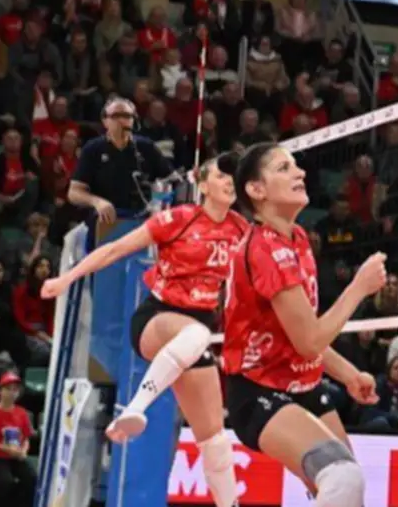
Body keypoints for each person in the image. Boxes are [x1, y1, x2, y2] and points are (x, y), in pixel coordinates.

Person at [42, 154, 248, 507]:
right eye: (221, 175)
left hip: (195, 331)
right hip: (157, 318)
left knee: (214, 438)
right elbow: (115, 249)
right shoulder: (179, 219)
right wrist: (66, 279)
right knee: (197, 335)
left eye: (234, 176)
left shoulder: (241, 229)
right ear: (202, 185)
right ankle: (134, 407)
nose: (229, 181)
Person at [222, 143, 388, 507]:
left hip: (305, 387)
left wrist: (346, 373)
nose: (299, 173)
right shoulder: (264, 248)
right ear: (256, 190)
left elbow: (298, 333)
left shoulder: (296, 238)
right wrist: (359, 287)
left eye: (296, 166)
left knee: (347, 489)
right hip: (258, 392)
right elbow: (309, 340)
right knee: (342, 476)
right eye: (284, 168)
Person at [67, 96, 173, 222]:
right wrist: (97, 202)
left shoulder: (146, 147)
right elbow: (74, 192)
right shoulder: (93, 149)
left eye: (127, 116)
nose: (122, 121)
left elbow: (170, 178)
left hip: (142, 217)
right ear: (105, 121)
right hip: (106, 219)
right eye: (116, 116)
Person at [0, 371, 35, 507]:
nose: (12, 393)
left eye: (15, 389)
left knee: (32, 478)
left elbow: (26, 437)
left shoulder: (22, 413)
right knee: (5, 482)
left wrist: (24, 450)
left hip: (15, 456)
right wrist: (5, 448)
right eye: (8, 389)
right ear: (0, 391)